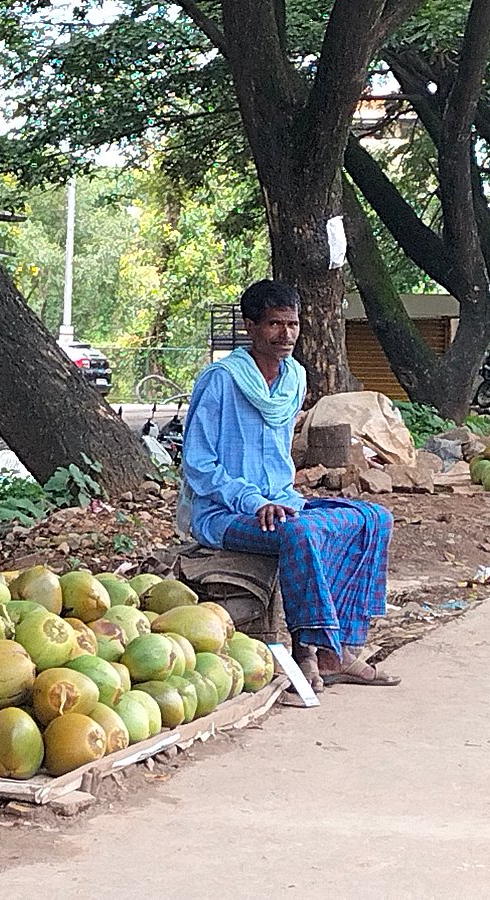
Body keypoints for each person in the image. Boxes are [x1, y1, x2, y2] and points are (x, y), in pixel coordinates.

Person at [179, 279, 398, 693]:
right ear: (250, 326)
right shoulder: (221, 380)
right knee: (300, 534)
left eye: (293, 324)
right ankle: (309, 651)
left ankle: (342, 647)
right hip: (224, 515)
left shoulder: (294, 377)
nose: (287, 335)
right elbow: (198, 464)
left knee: (374, 518)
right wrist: (252, 500)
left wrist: (276, 499)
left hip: (282, 502)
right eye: (275, 324)